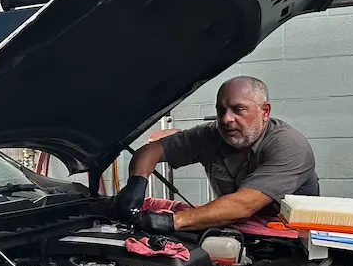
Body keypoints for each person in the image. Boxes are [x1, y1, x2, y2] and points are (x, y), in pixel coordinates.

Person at [116, 76, 319, 232]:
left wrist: (171, 221)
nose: (226, 119)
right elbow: (150, 151)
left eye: (238, 110)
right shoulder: (210, 135)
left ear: (264, 111)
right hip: (236, 231)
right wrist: (137, 183)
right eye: (221, 110)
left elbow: (243, 205)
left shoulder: (289, 145)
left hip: (292, 242)